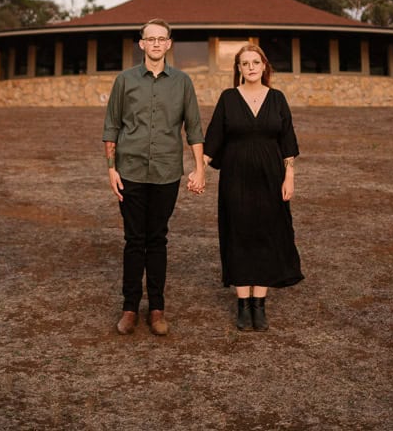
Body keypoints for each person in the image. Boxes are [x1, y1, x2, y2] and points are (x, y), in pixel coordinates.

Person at [102, 19, 206, 336]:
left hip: (166, 172)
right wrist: (110, 168)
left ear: (169, 44)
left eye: (162, 39)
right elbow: (111, 127)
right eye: (151, 39)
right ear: (142, 44)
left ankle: (157, 309)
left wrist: (199, 168)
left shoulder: (183, 82)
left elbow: (194, 127)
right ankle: (130, 308)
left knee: (157, 239)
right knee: (134, 241)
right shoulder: (124, 81)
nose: (157, 44)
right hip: (130, 171)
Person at [203, 43, 302, 331]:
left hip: (271, 178)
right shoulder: (229, 98)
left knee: (266, 235)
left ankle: (260, 305)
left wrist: (290, 175)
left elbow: (288, 141)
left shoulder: (277, 99)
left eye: (255, 62)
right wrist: (200, 170)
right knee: (239, 234)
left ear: (264, 66)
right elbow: (214, 138)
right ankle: (242, 305)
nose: (250, 68)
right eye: (244, 63)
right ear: (238, 69)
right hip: (236, 178)